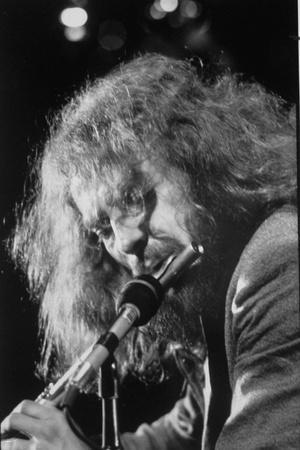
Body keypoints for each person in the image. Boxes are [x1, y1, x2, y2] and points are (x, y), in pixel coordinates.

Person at [1, 53, 299, 449]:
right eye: (102, 227)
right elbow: (187, 431)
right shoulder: (213, 290)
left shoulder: (278, 264)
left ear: (200, 165)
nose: (124, 243)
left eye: (134, 196)